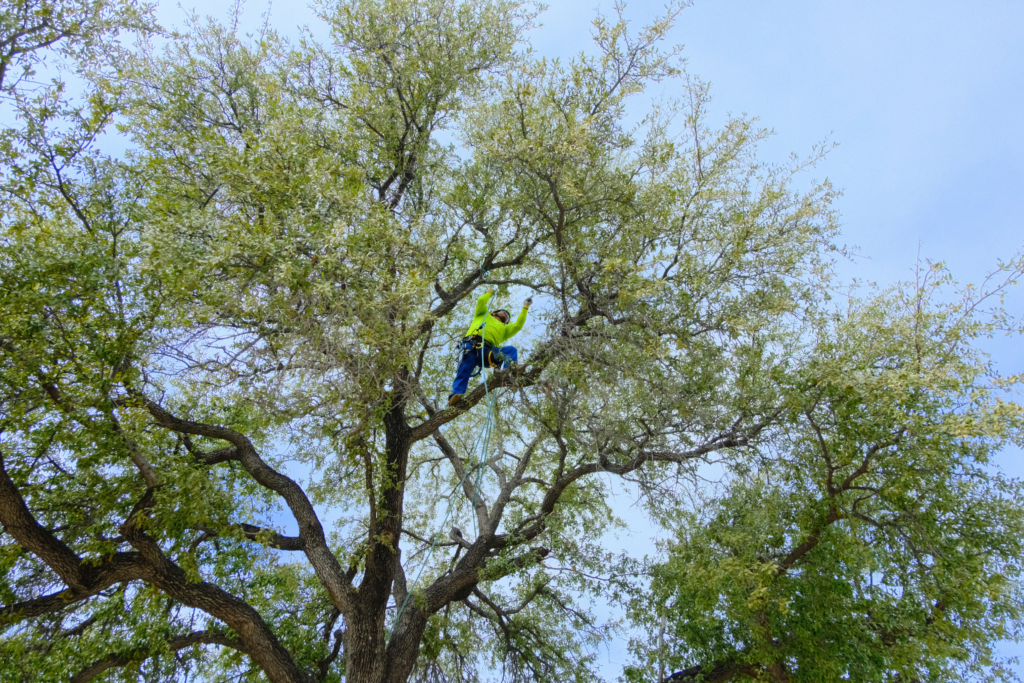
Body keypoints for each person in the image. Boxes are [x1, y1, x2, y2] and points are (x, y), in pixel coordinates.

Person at [448, 289, 532, 406]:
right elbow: (481, 301)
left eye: (507, 317)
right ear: (494, 313)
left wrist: (525, 307)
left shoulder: (504, 329)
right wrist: (489, 293)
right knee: (464, 368)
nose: (506, 316)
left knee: (511, 350)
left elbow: (518, 326)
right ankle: (456, 395)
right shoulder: (483, 314)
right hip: (471, 345)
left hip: (488, 352)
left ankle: (509, 371)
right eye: (504, 313)